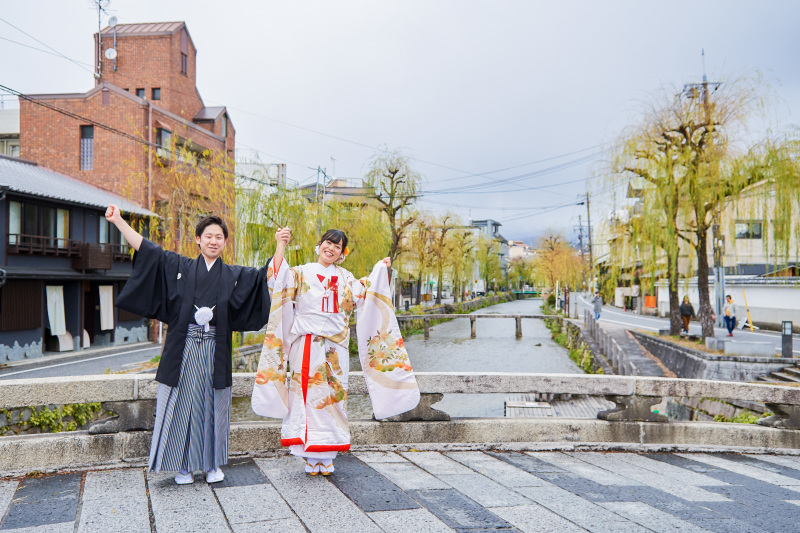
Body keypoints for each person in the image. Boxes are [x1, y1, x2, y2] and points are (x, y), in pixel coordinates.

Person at [106, 204, 272, 485]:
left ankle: (211, 465)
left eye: (219, 237)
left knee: (212, 407)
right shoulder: (180, 267)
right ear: (197, 239)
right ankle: (182, 467)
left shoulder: (233, 275)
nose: (213, 241)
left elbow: (264, 276)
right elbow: (149, 251)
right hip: (183, 348)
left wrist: (280, 246)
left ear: (224, 242)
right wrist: (119, 222)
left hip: (214, 349)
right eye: (208, 236)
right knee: (180, 405)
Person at [251, 228, 420, 475]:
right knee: (307, 399)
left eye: (337, 246)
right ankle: (310, 454)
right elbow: (277, 278)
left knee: (334, 398)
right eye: (328, 243)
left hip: (335, 349)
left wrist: (380, 270)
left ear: (342, 254)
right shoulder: (300, 273)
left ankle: (328, 454)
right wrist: (280, 245)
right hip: (306, 345)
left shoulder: (346, 278)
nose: (331, 248)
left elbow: (367, 292)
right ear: (319, 245)